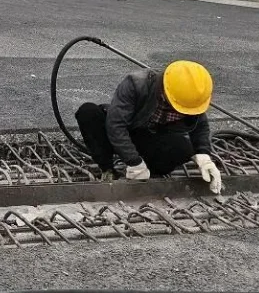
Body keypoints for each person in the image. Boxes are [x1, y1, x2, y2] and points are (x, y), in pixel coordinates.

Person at [74, 60, 222, 194]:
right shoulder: (137, 84)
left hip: (149, 139)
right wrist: (133, 161)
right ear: (167, 92)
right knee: (88, 113)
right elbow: (116, 125)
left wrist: (204, 154)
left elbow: (200, 124)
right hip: (122, 133)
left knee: (183, 148)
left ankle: (150, 171)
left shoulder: (190, 96)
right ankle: (108, 170)